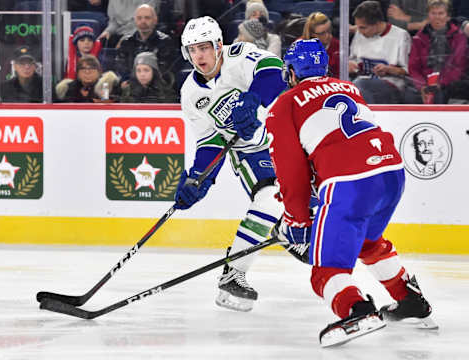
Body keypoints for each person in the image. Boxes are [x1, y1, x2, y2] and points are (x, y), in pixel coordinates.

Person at [266, 39, 437, 347]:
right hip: (391, 173)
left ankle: (357, 310)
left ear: (291, 71)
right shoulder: (349, 88)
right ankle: (410, 299)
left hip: (350, 181)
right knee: (368, 241)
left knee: (326, 270)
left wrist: (296, 219)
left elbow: (291, 171)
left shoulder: (285, 104)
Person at [175, 16, 287, 312]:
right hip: (250, 151)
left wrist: (253, 99)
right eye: (193, 49)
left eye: (204, 47)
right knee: (270, 199)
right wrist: (199, 178)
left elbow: (274, 69)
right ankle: (234, 274)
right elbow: (209, 141)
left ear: (218, 46)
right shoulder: (190, 93)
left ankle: (294, 236)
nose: (199, 55)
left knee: (306, 214)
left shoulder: (238, 56)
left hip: (286, 140)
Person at [349, 0, 411, 104]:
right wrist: (351, 65)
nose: (359, 31)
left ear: (377, 23)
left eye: (363, 27)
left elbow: (406, 71)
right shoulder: (359, 34)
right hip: (361, 81)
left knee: (359, 87)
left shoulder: (401, 36)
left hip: (391, 84)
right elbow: (353, 60)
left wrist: (389, 69)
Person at [406, 0, 467, 104]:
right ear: (428, 16)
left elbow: (459, 66)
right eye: (433, 13)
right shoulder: (419, 37)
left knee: (440, 94)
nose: (436, 17)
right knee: (408, 94)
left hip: (449, 82)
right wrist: (422, 86)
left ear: (448, 17)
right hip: (424, 82)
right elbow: (413, 67)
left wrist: (441, 83)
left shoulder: (459, 36)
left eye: (440, 13)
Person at [115, 4, 176, 85]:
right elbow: (121, 67)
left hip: (157, 87)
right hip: (130, 86)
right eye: (139, 18)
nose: (143, 21)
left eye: (147, 18)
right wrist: (127, 81)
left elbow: (165, 69)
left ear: (155, 20)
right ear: (135, 20)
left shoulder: (165, 41)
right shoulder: (127, 42)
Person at [56, 55, 120, 102]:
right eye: (83, 69)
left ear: (99, 72)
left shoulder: (106, 87)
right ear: (78, 73)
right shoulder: (68, 88)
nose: (87, 72)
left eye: (91, 68)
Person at [302, 11, 340, 78]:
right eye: (322, 33)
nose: (328, 36)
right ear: (312, 34)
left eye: (329, 30)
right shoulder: (300, 46)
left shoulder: (338, 44)